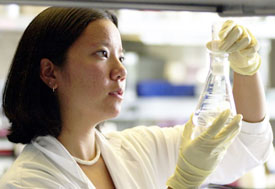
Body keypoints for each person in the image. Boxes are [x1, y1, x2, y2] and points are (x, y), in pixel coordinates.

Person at [0, 7, 273, 189]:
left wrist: (246, 68)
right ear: (50, 72)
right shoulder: (27, 181)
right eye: (102, 54)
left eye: (121, 56)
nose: (121, 71)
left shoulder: (137, 148)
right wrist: (183, 182)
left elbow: (245, 145)